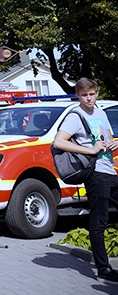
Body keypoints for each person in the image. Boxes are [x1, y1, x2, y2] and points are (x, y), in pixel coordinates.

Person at [53, 77, 118, 283]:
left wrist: (114, 142)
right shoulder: (75, 115)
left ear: (97, 92)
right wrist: (89, 149)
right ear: (78, 95)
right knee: (99, 221)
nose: (89, 99)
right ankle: (103, 269)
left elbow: (107, 136)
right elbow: (59, 142)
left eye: (92, 94)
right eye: (84, 95)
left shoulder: (100, 112)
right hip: (95, 173)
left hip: (110, 170)